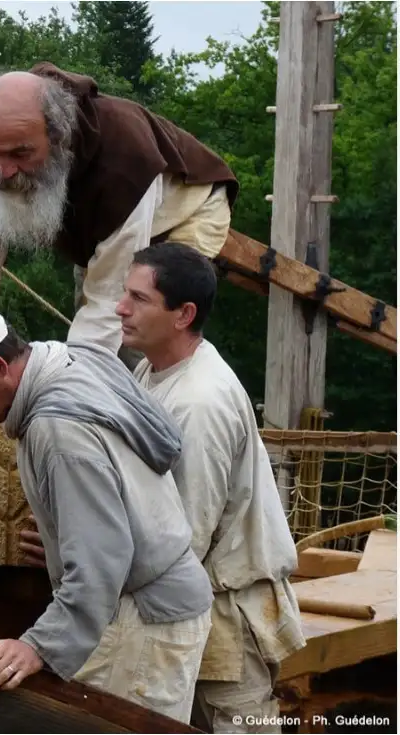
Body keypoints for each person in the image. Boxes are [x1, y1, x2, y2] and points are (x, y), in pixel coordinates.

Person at [0, 306, 214, 723]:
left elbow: (101, 562)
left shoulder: (57, 428)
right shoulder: (77, 358)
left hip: (142, 619)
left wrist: (40, 645)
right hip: (162, 601)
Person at [0, 63, 239, 366]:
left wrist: (65, 382)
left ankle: (162, 411)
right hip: (100, 225)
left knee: (140, 330)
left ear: (60, 139)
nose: (3, 171)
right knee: (94, 320)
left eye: (21, 153)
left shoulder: (124, 163)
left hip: (185, 210)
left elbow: (107, 304)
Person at [115, 242, 306, 733]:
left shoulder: (201, 402)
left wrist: (95, 559)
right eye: (125, 294)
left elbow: (185, 535)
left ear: (184, 315)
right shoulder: (151, 372)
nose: (121, 307)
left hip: (225, 610)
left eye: (139, 299)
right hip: (192, 598)